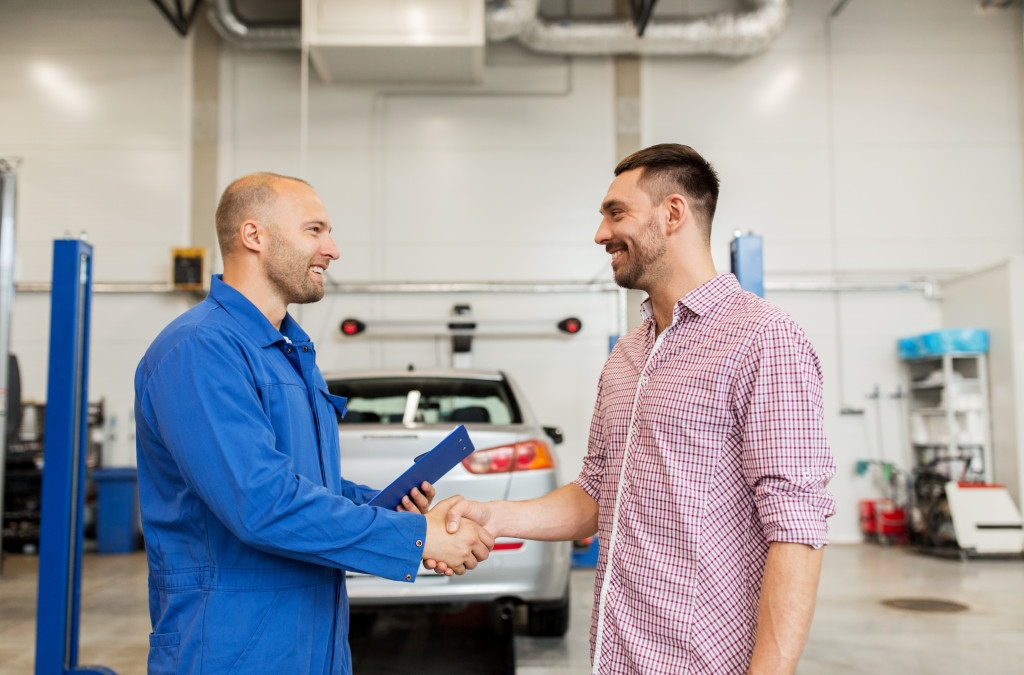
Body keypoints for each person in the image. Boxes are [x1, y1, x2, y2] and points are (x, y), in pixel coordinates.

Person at [436, 144, 837, 674]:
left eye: (616, 213)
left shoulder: (764, 340)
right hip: (617, 656)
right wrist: (495, 515)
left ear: (673, 214)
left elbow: (796, 530)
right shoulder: (629, 354)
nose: (600, 234)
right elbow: (598, 493)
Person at [134, 172, 493, 674]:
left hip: (313, 641)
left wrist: (382, 506)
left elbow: (300, 482)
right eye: (315, 230)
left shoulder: (290, 353)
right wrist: (415, 538)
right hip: (229, 646)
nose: (333, 249)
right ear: (254, 236)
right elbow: (260, 503)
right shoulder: (200, 350)